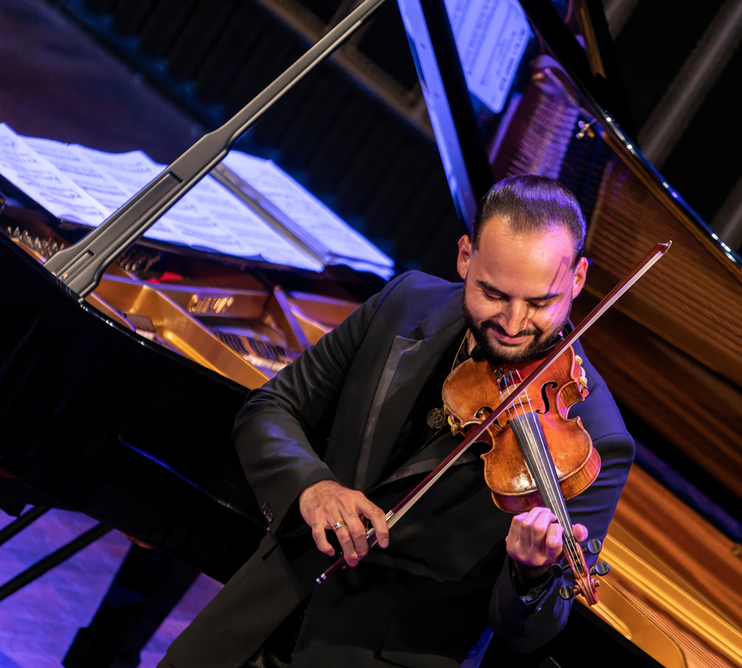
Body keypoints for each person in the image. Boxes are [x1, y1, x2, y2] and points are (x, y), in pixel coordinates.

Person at [160, 175, 635, 667]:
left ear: (577, 279)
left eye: (539, 303)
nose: (513, 325)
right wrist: (313, 487)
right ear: (465, 256)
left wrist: (530, 575)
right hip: (250, 624)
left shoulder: (594, 437)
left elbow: (526, 634)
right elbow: (270, 409)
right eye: (493, 294)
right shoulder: (406, 302)